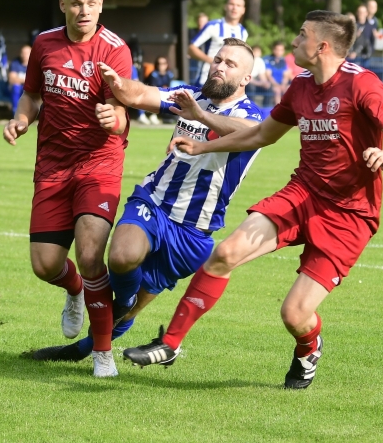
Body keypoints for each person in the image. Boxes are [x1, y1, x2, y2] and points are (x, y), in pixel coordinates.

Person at [123, 11, 383, 390]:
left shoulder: (362, 85)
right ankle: (170, 344)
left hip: (349, 214)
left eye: (301, 34)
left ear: (322, 46)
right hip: (302, 195)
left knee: (295, 315)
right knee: (225, 254)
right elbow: (260, 135)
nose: (294, 41)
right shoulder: (300, 86)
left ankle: (308, 348)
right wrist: (201, 143)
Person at [24, 38, 263, 376]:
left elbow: (253, 133)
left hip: (194, 231)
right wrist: (120, 84)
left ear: (245, 79)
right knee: (121, 256)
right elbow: (140, 94)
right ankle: (114, 305)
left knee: (130, 311)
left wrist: (201, 117)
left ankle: (79, 349)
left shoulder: (250, 115)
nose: (220, 67)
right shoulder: (188, 96)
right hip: (155, 201)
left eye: (231, 64)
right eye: (218, 59)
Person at [2, 0, 132, 378]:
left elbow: (125, 112)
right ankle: (75, 290)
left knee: (91, 253)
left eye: (92, 3)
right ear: (63, 5)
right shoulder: (44, 44)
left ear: (101, 4)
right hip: (53, 167)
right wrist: (21, 120)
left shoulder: (115, 50)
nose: (84, 11)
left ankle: (103, 353)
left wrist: (115, 117)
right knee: (44, 265)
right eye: (76, 3)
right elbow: (32, 94)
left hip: (100, 165)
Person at [189, 0, 248, 87]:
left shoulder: (243, 32)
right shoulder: (213, 26)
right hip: (206, 80)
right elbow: (191, 48)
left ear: (243, 10)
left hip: (228, 84)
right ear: (225, 6)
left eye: (238, 5)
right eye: (231, 4)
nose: (234, 8)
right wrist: (212, 61)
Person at [8, 44, 30, 117]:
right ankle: (15, 113)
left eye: (26, 53)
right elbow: (12, 79)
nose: (24, 55)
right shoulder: (15, 63)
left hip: (29, 89)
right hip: (17, 89)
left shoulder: (35, 64)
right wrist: (26, 80)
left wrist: (20, 80)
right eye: (22, 53)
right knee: (16, 87)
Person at [188, 12, 209, 85]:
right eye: (200, 21)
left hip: (207, 61)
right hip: (193, 61)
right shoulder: (191, 32)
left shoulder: (210, 35)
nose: (201, 24)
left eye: (203, 22)